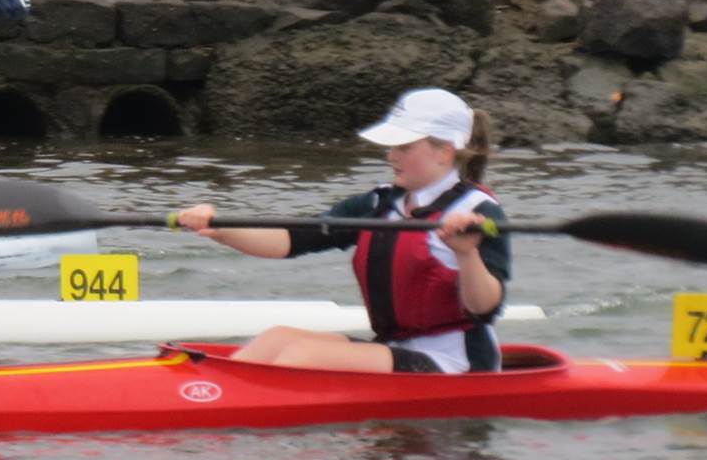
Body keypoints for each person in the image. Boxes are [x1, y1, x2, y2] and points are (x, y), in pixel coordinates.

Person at [175, 87, 510, 373]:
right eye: (391, 146)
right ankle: (208, 398)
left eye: (404, 147)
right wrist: (219, 227)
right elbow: (290, 240)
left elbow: (484, 308)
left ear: (444, 152)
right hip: (394, 349)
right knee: (276, 339)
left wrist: (466, 253)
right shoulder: (378, 204)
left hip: (456, 362)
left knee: (302, 356)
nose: (390, 155)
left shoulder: (479, 213)